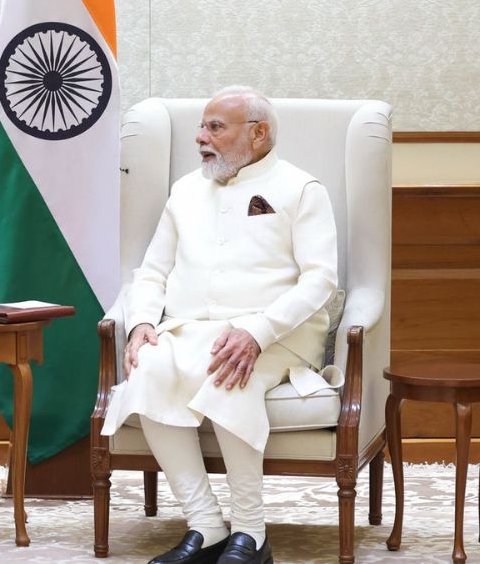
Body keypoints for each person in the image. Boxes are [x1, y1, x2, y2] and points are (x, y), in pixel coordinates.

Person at [101, 86, 338, 564]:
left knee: (228, 371)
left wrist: (257, 332)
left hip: (278, 334)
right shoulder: (186, 190)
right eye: (201, 126)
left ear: (258, 133)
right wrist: (143, 322)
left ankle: (251, 534)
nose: (200, 137)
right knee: (147, 370)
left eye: (215, 127)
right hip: (190, 328)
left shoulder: (302, 188)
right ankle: (206, 525)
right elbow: (152, 271)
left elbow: (321, 281)